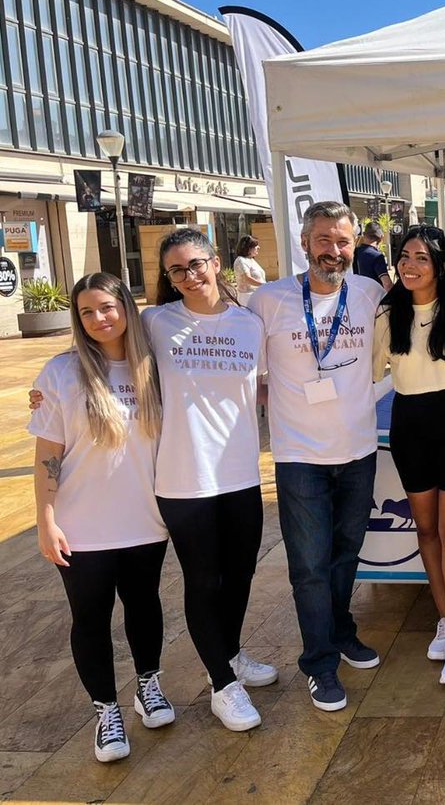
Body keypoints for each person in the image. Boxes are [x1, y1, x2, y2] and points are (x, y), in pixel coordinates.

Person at [29, 272, 174, 763]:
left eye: (107, 308)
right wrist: (46, 519)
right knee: (90, 618)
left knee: (144, 605)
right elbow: (47, 455)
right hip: (82, 526)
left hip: (145, 519)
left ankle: (148, 684)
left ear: (126, 309)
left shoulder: (153, 367)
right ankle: (106, 710)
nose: (98, 319)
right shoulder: (60, 373)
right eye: (87, 312)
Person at [247, 201, 385, 713]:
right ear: (305, 242)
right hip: (299, 454)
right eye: (323, 239)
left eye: (343, 241)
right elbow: (244, 370)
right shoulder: (269, 300)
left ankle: (342, 629)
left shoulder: (370, 294)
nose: (334, 249)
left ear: (355, 245)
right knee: (308, 565)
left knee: (346, 554)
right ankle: (320, 662)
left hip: (358, 449)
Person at [146, 228, 276, 732]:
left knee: (240, 574)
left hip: (241, 474)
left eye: (196, 264)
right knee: (204, 580)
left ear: (217, 262)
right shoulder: (155, 322)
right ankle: (222, 684)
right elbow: (100, 353)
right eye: (177, 270)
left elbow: (266, 386)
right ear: (169, 278)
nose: (189, 275)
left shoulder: (249, 325)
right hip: (183, 479)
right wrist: (50, 391)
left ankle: (231, 652)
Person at [373, 226, 445, 685]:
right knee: (428, 529)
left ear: (440, 263)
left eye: (421, 257)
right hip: (409, 425)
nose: (410, 265)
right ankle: (443, 616)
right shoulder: (387, 312)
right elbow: (368, 369)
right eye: (404, 256)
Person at [354, 221, 393, 291]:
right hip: (374, 298)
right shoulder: (377, 256)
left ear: (364, 234)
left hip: (356, 295)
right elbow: (387, 284)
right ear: (381, 238)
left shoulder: (354, 252)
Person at [233, 235, 267, 303]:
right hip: (247, 298)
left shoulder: (251, 260)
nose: (258, 247)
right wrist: (265, 285)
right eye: (255, 246)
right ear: (248, 248)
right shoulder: (241, 260)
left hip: (256, 296)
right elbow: (247, 278)